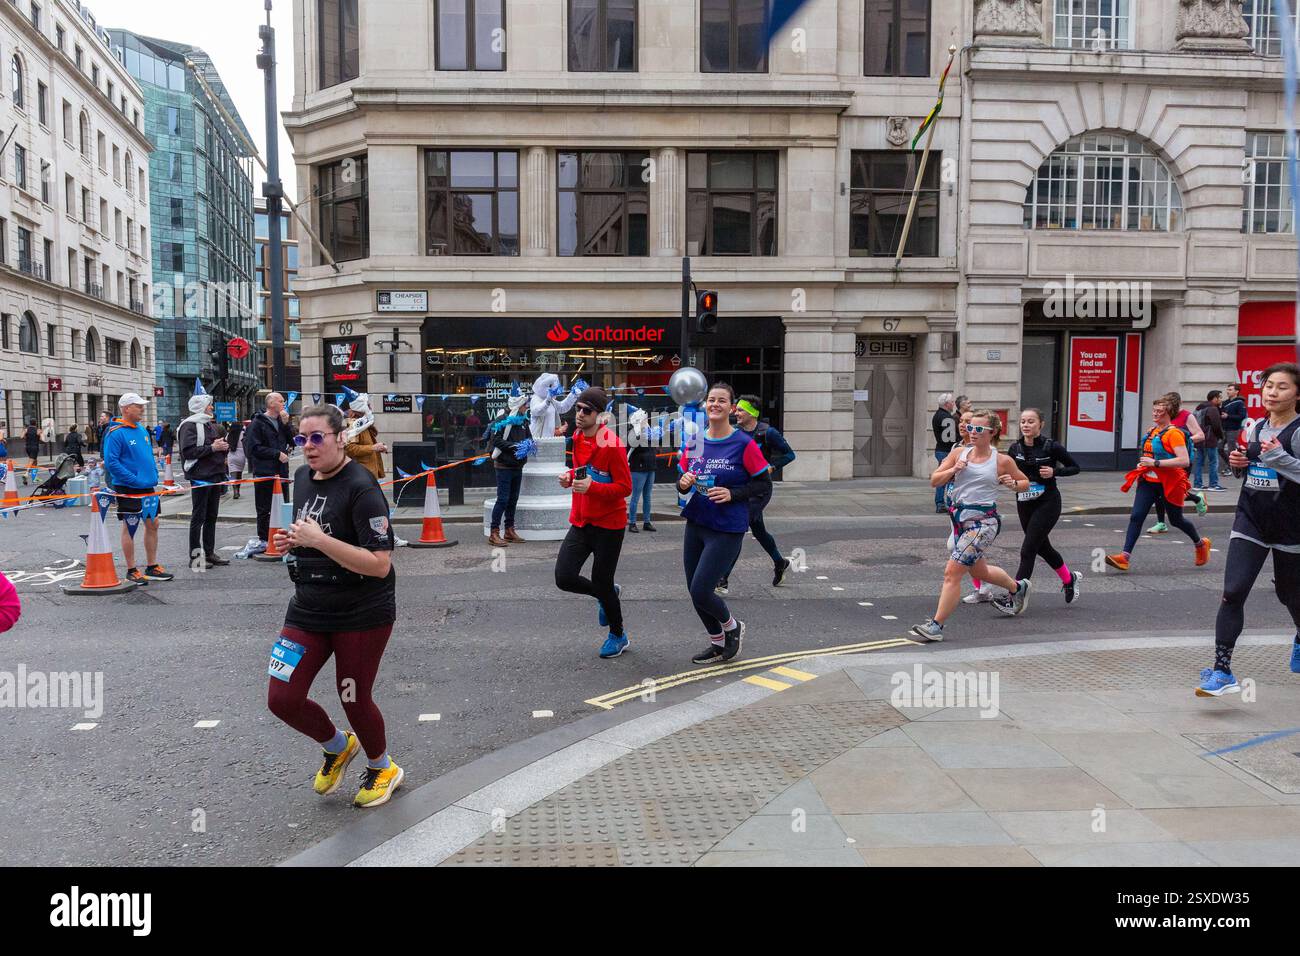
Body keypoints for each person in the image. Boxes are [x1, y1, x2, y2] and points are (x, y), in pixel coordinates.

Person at [266, 404, 403, 808]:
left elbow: (380, 564)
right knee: (282, 698)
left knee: (353, 697)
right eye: (300, 439)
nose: (307, 448)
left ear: (339, 438)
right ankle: (337, 746)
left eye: (316, 438)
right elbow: (311, 530)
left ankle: (383, 767)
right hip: (307, 607)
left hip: (360, 611)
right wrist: (290, 542)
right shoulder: (302, 477)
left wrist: (319, 541)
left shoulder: (362, 488)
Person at [1197, 363, 1300, 696]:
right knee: (1233, 591)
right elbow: (1256, 467)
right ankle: (1222, 670)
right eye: (1269, 385)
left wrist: (1279, 459)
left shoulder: (1298, 431)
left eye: (1282, 387)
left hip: (1291, 526)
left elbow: (1283, 466)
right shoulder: (1257, 426)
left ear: (1297, 393)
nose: (1272, 392)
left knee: (1290, 595)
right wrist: (1240, 464)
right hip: (1251, 519)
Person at [910, 410, 1031, 642]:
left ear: (992, 432)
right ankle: (1018, 588)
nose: (971, 432)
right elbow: (935, 480)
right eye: (969, 428)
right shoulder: (958, 453)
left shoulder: (1002, 460)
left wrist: (1012, 483)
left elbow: (1024, 482)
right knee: (979, 572)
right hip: (960, 521)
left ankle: (936, 626)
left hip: (983, 523)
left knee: (952, 572)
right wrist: (954, 470)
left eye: (978, 429)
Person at [676, 382, 772, 665]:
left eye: (721, 401)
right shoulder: (695, 442)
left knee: (702, 590)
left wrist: (733, 493)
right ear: (705, 405)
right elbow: (683, 482)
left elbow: (763, 485)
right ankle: (717, 642)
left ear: (732, 408)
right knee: (694, 590)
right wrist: (683, 484)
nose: (714, 404)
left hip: (727, 526)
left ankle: (732, 627)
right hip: (697, 522)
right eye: (711, 400)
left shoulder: (744, 443)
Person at [555, 387, 633, 659]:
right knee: (564, 577)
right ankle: (606, 593)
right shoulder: (576, 437)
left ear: (601, 416)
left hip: (609, 525)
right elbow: (582, 474)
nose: (579, 414)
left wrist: (593, 488)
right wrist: (569, 477)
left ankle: (618, 634)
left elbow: (625, 487)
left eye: (586, 410)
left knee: (602, 580)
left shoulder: (612, 445)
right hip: (581, 520)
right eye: (577, 408)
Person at [1106, 396, 1212, 572]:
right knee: (1136, 516)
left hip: (1170, 483)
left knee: (1176, 520)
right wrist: (1145, 464)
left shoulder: (1174, 433)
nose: (1155, 413)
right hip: (1148, 481)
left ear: (1168, 412)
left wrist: (1155, 464)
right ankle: (1124, 557)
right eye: (1154, 410)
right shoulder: (1152, 431)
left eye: (1159, 411)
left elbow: (1184, 460)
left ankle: (1201, 544)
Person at [715, 394, 794, 593]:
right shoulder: (736, 432)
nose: (736, 413)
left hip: (760, 490)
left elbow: (789, 454)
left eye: (741, 410)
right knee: (758, 529)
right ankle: (779, 561)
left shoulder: (768, 433)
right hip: (741, 488)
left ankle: (723, 578)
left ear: (752, 413)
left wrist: (771, 467)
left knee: (739, 527)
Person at [1005, 408, 1083, 606]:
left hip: (1048, 502)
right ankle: (1069, 579)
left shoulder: (1051, 446)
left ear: (1041, 424)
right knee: (1043, 547)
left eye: (1031, 421)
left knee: (1028, 549)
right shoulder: (1015, 449)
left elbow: (1075, 467)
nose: (1026, 425)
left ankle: (1015, 596)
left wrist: (1054, 471)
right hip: (1024, 501)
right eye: (1023, 421)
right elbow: (1010, 472)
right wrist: (1008, 481)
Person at [102, 394, 172, 585]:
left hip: (148, 487)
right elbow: (111, 462)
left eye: (142, 406)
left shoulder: (141, 430)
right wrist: (133, 479)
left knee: (153, 523)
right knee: (130, 525)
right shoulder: (116, 433)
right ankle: (131, 569)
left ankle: (152, 566)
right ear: (125, 408)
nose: (142, 409)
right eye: (138, 406)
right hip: (129, 487)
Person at [178, 383, 230, 571]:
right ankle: (195, 557)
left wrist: (223, 448)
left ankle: (210, 552)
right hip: (200, 476)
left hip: (215, 474)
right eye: (209, 405)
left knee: (212, 516)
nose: (212, 408)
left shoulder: (209, 425)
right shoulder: (190, 426)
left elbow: (215, 447)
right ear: (201, 407)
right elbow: (189, 451)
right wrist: (213, 448)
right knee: (198, 517)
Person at [243, 393, 294, 556]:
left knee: (284, 506)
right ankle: (265, 538)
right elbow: (253, 448)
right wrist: (276, 454)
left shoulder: (281, 421)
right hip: (265, 472)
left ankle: (284, 538)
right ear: (271, 404)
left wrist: (286, 425)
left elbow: (292, 442)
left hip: (281, 472)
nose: (283, 403)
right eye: (280, 401)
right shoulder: (257, 423)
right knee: (264, 508)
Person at [1152, 393, 1207, 531]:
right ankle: (1161, 523)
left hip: (1181, 459)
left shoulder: (1186, 416)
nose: (1165, 407)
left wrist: (1183, 441)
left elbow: (1200, 435)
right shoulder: (1163, 416)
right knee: (1159, 490)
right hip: (1162, 460)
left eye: (1169, 404)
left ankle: (1197, 499)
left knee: (1173, 491)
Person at [487, 384, 531, 548]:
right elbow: (496, 441)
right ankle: (494, 532)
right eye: (524, 404)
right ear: (517, 405)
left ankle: (509, 530)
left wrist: (529, 445)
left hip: (518, 466)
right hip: (504, 466)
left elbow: (529, 437)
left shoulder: (524, 421)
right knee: (503, 499)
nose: (526, 407)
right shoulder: (502, 419)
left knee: (513, 499)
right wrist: (515, 447)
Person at [626, 405, 658, 534]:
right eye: (643, 417)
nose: (646, 419)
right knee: (636, 496)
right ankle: (632, 522)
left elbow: (655, 443)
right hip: (638, 467)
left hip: (650, 466)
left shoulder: (648, 429)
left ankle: (647, 521)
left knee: (647, 496)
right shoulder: (633, 431)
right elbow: (632, 444)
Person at [1192, 391, 1225, 492]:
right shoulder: (1212, 409)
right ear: (1214, 398)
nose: (1221, 400)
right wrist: (1221, 436)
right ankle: (1213, 484)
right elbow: (1216, 425)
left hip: (1199, 439)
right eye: (1220, 398)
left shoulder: (1198, 408)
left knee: (1199, 462)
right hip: (1210, 439)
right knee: (1213, 462)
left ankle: (1197, 484)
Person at [932, 393, 959, 514]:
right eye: (952, 402)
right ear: (947, 404)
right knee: (947, 478)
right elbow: (950, 437)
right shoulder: (947, 418)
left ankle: (940, 503)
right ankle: (945, 503)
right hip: (947, 451)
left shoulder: (937, 415)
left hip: (940, 449)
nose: (953, 404)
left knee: (943, 477)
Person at [1219, 383, 1248, 476]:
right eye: (1227, 389)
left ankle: (1233, 469)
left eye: (1230, 389)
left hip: (1233, 429)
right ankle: (1230, 466)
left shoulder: (1240, 403)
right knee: (1219, 448)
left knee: (1231, 450)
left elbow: (1242, 416)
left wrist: (1228, 416)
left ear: (1236, 391)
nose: (1228, 391)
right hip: (1223, 429)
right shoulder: (1225, 402)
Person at [226, 420, 246, 499]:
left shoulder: (229, 435)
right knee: (239, 475)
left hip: (231, 455)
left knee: (233, 475)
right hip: (241, 455)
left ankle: (235, 491)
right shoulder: (242, 434)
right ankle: (238, 489)